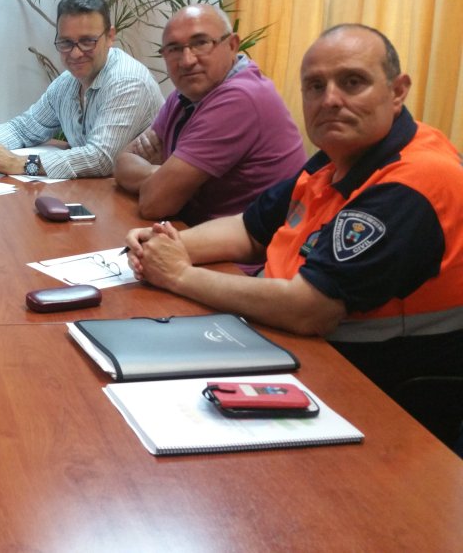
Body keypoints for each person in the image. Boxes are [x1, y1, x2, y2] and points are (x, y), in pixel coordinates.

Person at [125, 24, 463, 394]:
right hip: (283, 341)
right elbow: (248, 229)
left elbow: (309, 309)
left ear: (397, 92)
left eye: (352, 82)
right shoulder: (336, 159)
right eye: (316, 87)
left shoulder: (414, 183)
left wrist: (177, 274)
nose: (330, 100)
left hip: (371, 388)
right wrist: (164, 243)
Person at [114, 4, 306, 224]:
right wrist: (160, 174)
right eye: (174, 49)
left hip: (253, 253)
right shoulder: (183, 95)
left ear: (232, 45)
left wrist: (162, 181)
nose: (187, 60)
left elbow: (154, 202)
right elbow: (122, 163)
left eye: (201, 43)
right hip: (194, 232)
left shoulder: (241, 98)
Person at [0, 0, 163, 178]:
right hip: (97, 194)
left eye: (88, 41)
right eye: (66, 42)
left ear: (110, 37)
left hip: (142, 207)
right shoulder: (68, 83)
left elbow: (101, 158)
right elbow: (25, 127)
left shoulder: (128, 81)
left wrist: (22, 163)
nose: (76, 53)